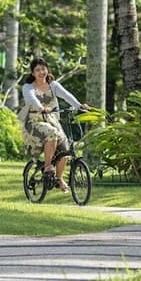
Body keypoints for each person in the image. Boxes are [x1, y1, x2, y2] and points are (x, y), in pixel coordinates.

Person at [20, 57, 89, 193]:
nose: (41, 72)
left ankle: (59, 178)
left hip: (51, 120)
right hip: (34, 121)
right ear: (33, 73)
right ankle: (47, 166)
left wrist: (79, 106)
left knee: (65, 147)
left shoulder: (53, 85)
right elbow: (31, 99)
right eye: (37, 70)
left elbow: (67, 96)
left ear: (47, 70)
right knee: (51, 133)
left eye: (43, 69)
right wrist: (41, 108)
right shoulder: (28, 87)